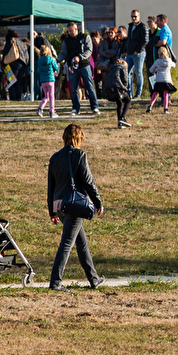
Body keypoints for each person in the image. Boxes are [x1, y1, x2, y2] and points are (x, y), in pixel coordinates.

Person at [47, 124, 102, 292]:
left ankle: (94, 279)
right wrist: (98, 202)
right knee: (67, 243)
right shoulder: (80, 155)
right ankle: (55, 282)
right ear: (79, 138)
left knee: (81, 242)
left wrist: (51, 211)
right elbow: (88, 182)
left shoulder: (55, 157)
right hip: (74, 205)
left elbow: (51, 187)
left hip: (59, 206)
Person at [61, 22, 98, 116]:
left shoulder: (85, 37)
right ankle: (75, 108)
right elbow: (64, 53)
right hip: (72, 66)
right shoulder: (66, 41)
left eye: (71, 30)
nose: (70, 33)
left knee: (89, 86)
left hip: (84, 65)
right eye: (68, 31)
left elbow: (89, 50)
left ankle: (94, 106)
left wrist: (80, 57)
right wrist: (57, 59)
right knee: (73, 88)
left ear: (76, 29)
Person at [124, 10, 147, 99]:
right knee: (126, 72)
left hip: (139, 53)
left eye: (135, 17)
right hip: (130, 53)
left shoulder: (142, 27)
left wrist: (138, 50)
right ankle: (129, 92)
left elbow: (145, 40)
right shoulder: (130, 26)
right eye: (132, 16)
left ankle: (138, 93)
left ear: (139, 16)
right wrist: (127, 50)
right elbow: (129, 39)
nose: (133, 18)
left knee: (138, 72)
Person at [104, 55, 131, 128]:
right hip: (118, 88)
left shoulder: (112, 68)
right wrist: (125, 89)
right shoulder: (123, 68)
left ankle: (120, 123)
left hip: (108, 89)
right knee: (128, 100)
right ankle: (122, 118)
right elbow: (125, 80)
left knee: (119, 103)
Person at [34, 42, 60, 119]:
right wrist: (55, 72)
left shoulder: (39, 60)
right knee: (52, 96)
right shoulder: (51, 59)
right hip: (50, 79)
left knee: (46, 96)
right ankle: (52, 111)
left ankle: (40, 108)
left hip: (43, 80)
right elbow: (56, 67)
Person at [147, 47, 175, 112]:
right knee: (165, 94)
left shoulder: (157, 61)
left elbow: (151, 70)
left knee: (155, 93)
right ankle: (165, 108)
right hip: (166, 80)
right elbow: (174, 65)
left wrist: (156, 69)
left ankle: (150, 106)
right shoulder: (169, 61)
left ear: (158, 54)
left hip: (158, 80)